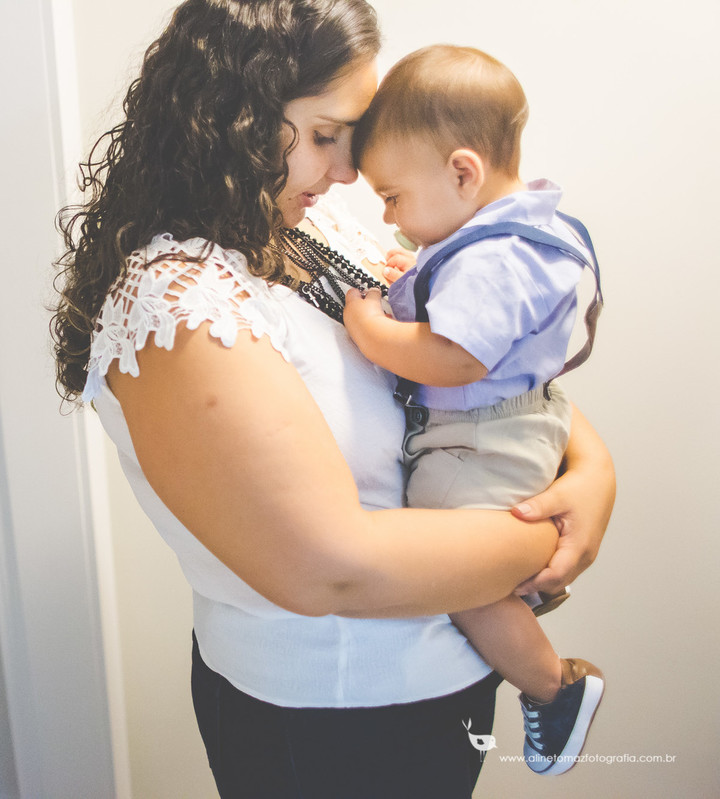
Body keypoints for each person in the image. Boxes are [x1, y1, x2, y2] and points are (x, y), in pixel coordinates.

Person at [52, 2, 615, 796]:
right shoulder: (179, 306)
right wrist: (550, 533)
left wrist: (592, 471)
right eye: (323, 135)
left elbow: (477, 366)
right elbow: (333, 567)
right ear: (231, 116)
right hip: (338, 720)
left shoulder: (307, 224)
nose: (349, 170)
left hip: (434, 679)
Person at [342, 44, 605, 777]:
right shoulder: (506, 237)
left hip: (483, 438)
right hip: (514, 424)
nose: (388, 215)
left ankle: (554, 686)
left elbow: (457, 357)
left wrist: (370, 327)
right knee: (462, 559)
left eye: (393, 196)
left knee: (448, 566)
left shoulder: (493, 257)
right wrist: (414, 282)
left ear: (463, 172)